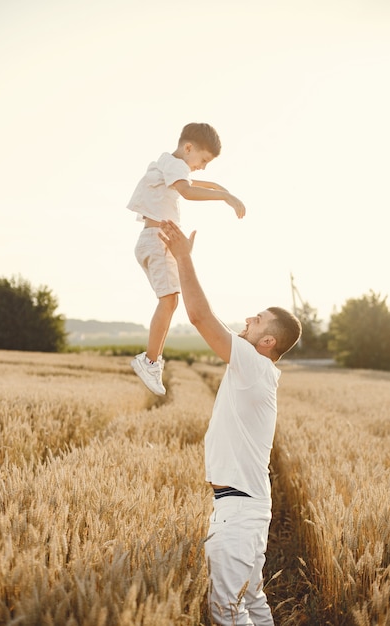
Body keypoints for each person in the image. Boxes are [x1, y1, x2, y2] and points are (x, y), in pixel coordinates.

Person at [158, 220, 302, 626]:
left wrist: (184, 258)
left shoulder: (254, 365)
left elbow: (201, 317)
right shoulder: (256, 369)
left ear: (268, 341)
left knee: (227, 610)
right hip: (242, 505)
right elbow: (212, 320)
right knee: (251, 601)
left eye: (255, 320)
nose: (247, 320)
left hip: (239, 510)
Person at [127, 122, 246, 396]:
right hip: (156, 241)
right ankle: (149, 361)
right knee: (169, 300)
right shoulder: (176, 166)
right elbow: (189, 191)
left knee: (171, 299)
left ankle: (152, 361)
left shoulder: (167, 164)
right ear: (188, 148)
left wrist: (222, 190)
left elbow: (195, 182)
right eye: (202, 160)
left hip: (151, 240)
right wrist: (224, 198)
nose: (202, 166)